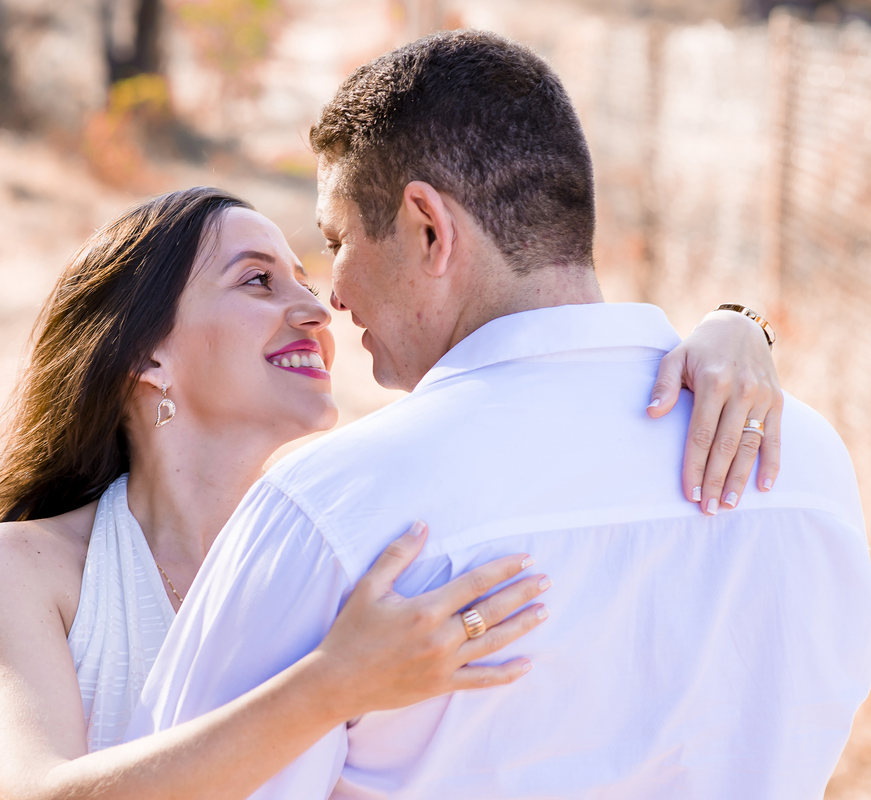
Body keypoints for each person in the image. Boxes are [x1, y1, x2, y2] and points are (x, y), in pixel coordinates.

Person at [125, 31, 871, 800]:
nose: (331, 297)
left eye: (336, 239)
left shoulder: (337, 509)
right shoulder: (806, 468)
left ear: (427, 228)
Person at [0, 181, 782, 800]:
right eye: (257, 282)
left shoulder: (349, 546)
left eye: (306, 279)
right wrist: (333, 685)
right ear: (147, 356)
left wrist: (737, 329)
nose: (317, 308)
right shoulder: (21, 569)